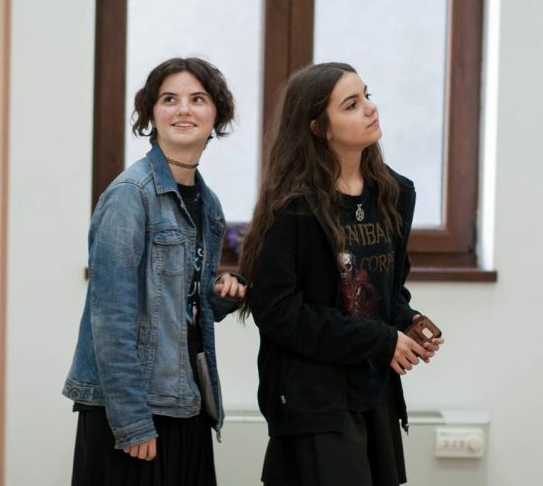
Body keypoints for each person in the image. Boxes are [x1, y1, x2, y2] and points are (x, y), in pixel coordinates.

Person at [239, 62, 444, 486]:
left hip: (375, 390)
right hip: (315, 401)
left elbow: (386, 291)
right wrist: (380, 339)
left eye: (367, 95)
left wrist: (406, 321)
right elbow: (278, 313)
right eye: (351, 104)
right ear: (319, 127)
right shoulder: (293, 207)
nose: (370, 108)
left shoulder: (395, 194)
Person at [63, 57, 246, 486]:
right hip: (134, 411)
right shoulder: (131, 195)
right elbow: (111, 318)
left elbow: (179, 304)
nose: (183, 109)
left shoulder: (208, 203)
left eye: (197, 99)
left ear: (216, 114)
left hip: (185, 399)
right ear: (151, 114)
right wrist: (131, 422)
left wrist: (219, 294)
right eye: (169, 99)